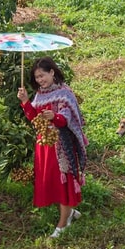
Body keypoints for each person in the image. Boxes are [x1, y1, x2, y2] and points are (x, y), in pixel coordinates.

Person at [17, 57, 88, 238]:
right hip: (45, 144)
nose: (41, 80)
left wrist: (54, 117)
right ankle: (69, 213)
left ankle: (63, 223)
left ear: (52, 72)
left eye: (43, 75)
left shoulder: (65, 93)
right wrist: (25, 101)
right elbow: (33, 118)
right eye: (37, 77)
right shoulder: (40, 94)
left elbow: (67, 119)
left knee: (63, 181)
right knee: (53, 181)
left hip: (61, 145)